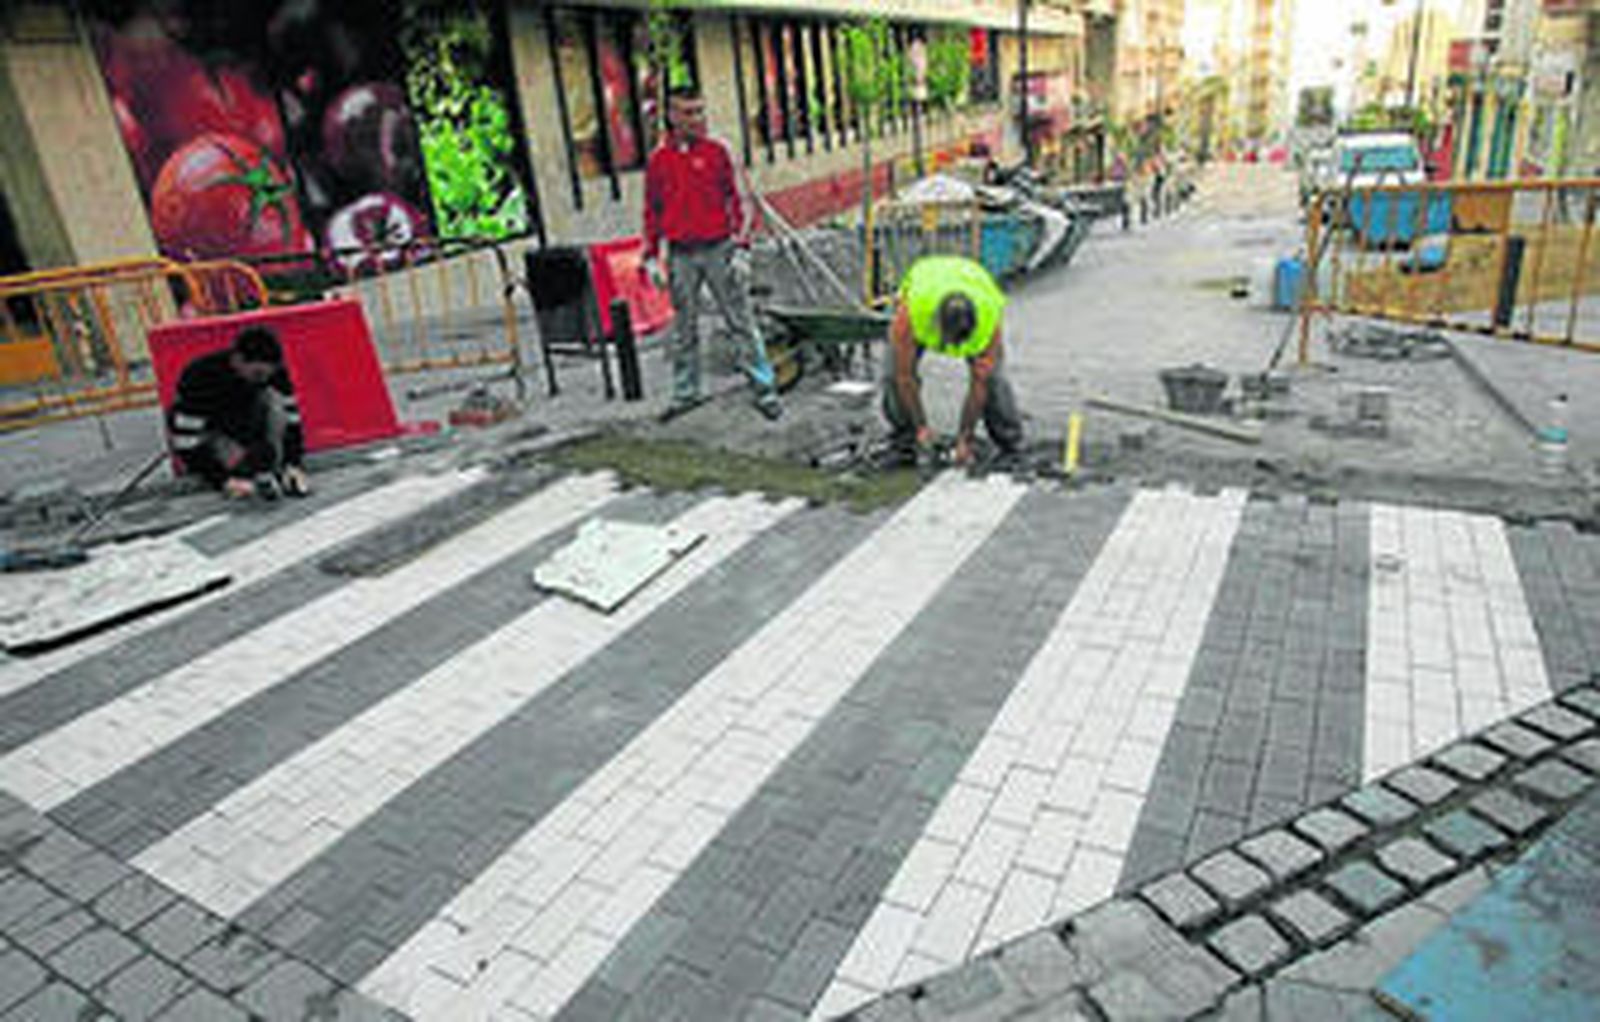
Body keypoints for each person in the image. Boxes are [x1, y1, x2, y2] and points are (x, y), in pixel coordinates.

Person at [642, 86, 781, 421]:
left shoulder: (720, 152)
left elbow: (742, 202)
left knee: (741, 322)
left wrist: (742, 249)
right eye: (688, 113)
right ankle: (685, 393)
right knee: (683, 328)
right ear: (672, 116)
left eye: (700, 111)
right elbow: (652, 210)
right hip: (680, 254)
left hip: (720, 249)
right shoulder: (659, 161)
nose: (696, 119)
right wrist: (650, 255)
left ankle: (765, 390)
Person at [882, 255, 1024, 467]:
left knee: (994, 379)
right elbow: (905, 377)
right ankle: (904, 441)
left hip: (973, 279)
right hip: (926, 276)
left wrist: (965, 437)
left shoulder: (988, 317)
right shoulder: (912, 313)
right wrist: (921, 426)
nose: (953, 350)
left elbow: (979, 384)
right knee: (893, 375)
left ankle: (1009, 444)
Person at [168, 325, 310, 499]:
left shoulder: (275, 372)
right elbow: (185, 442)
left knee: (276, 400)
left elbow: (292, 420)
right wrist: (222, 481)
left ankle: (277, 469)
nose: (263, 379)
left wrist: (293, 464)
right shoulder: (200, 376)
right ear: (237, 360)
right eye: (257, 374)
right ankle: (238, 470)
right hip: (212, 431)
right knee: (235, 461)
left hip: (247, 425)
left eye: (268, 374)